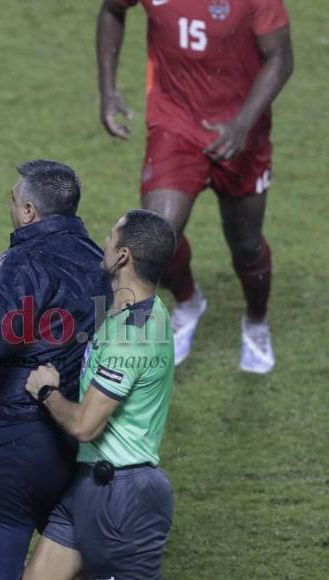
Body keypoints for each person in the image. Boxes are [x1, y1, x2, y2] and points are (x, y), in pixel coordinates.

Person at [0, 160, 111, 579]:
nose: (10, 209)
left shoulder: (20, 260)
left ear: (29, 212)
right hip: (72, 441)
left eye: (14, 201)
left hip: (10, 445)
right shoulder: (101, 264)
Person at [97, 0, 293, 372]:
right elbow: (111, 10)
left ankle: (255, 321)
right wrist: (107, 91)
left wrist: (242, 122)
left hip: (241, 128)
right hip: (175, 123)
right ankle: (188, 301)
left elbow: (281, 58)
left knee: (247, 244)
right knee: (155, 238)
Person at [23, 209, 177, 580]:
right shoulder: (136, 312)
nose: (103, 242)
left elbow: (85, 425)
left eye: (110, 236)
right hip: (90, 485)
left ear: (123, 256)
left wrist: (46, 391)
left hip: (122, 497)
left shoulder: (133, 335)